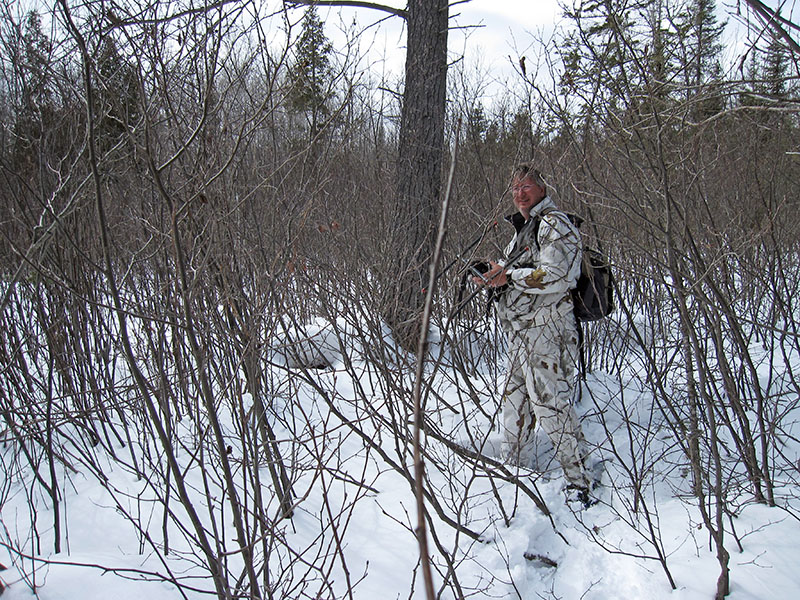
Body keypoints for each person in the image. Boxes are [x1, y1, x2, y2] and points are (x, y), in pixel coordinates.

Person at [473, 163, 595, 506]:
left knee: (550, 406)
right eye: (514, 189)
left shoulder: (556, 224)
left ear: (542, 188)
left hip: (548, 329)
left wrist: (509, 277)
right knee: (514, 404)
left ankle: (580, 480)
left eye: (525, 186)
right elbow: (522, 269)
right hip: (523, 332)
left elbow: (556, 276)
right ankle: (515, 474)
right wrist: (495, 274)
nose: (519, 194)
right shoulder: (524, 229)